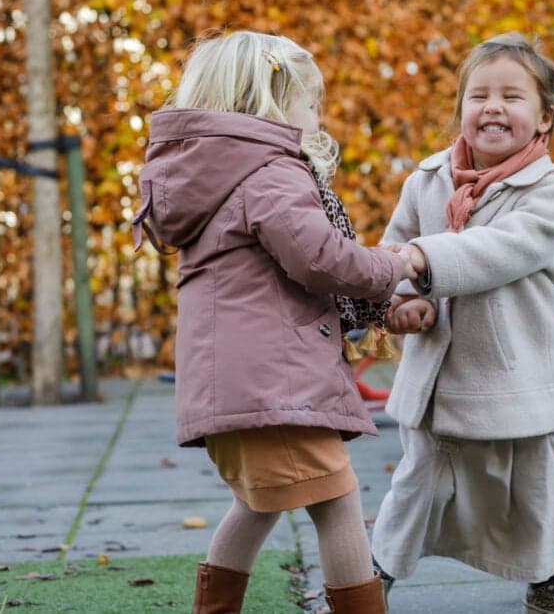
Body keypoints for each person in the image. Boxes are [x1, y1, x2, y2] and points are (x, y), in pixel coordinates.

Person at [132, 30, 416, 614]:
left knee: (259, 504)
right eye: (311, 104)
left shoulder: (215, 175)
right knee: (337, 502)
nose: (317, 118)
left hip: (241, 381)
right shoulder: (270, 173)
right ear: (270, 103)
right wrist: (395, 264)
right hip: (273, 381)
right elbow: (320, 258)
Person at [371, 32, 554, 614]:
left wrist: (423, 263)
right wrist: (400, 303)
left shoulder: (547, 193)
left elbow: (498, 251)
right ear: (460, 112)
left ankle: (548, 584)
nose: (493, 107)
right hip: (438, 379)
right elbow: (394, 252)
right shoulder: (426, 181)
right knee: (417, 483)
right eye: (478, 96)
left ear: (544, 118)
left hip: (519, 371)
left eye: (512, 96)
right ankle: (367, 586)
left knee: (537, 486)